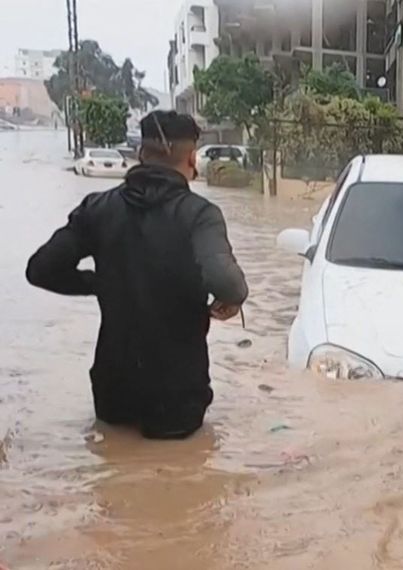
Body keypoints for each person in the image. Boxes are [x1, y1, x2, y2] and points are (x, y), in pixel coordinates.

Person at [26, 110, 248, 440]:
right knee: (182, 478)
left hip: (113, 389)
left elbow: (41, 269)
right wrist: (232, 299)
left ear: (141, 155)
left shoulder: (97, 208)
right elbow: (227, 281)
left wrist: (99, 283)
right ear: (191, 158)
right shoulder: (200, 214)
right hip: (177, 395)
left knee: (111, 473)